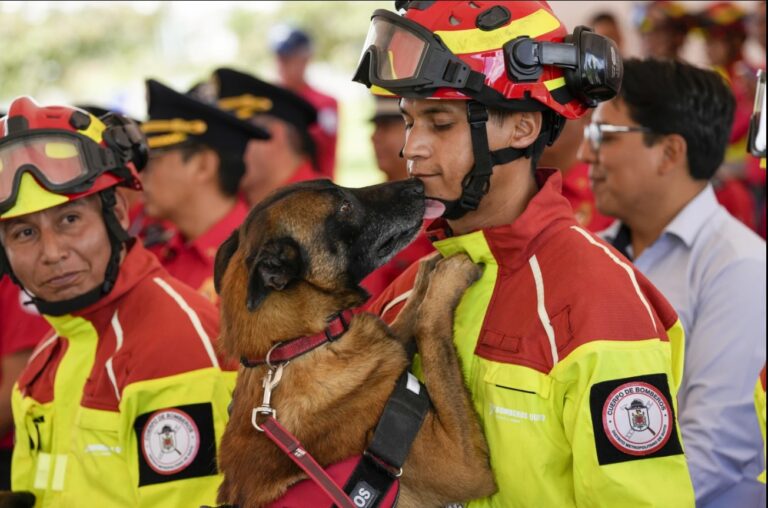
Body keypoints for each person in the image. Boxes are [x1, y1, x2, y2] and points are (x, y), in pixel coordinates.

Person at [355, 2, 694, 506]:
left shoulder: (600, 302)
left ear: (523, 128)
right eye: (409, 122)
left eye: (440, 123)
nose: (412, 148)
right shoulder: (404, 296)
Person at [0, 97, 236, 506]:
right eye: (24, 233)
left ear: (120, 215)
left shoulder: (173, 346)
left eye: (70, 220)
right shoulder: (44, 361)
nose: (52, 252)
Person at [577, 58, 766, 507]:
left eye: (604, 135)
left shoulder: (740, 268)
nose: (586, 154)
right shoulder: (591, 253)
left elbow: (714, 452)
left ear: (669, 152)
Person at [139, 79, 269, 302]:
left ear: (203, 165)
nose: (141, 176)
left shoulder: (261, 262)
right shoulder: (155, 254)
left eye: (152, 162)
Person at [696, 1, 764, 236]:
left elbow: (734, 131)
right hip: (724, 183)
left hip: (750, 187)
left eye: (713, 40)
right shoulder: (714, 78)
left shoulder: (752, 77)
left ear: (735, 40)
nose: (707, 47)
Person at [212, 67, 321, 208]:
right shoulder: (240, 208)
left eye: (234, 134)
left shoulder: (327, 212)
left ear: (274, 134)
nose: (219, 147)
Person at [361, 97, 434, 297]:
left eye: (386, 127)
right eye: (376, 127)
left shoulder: (436, 212)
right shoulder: (367, 204)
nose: (374, 137)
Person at [269, 25, 338, 180]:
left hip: (315, 187)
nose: (282, 64)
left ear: (306, 58)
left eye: (288, 58)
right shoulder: (267, 101)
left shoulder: (324, 104)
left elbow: (320, 150)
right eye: (279, 58)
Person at [538, 115, 613, 232]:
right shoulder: (511, 182)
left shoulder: (610, 194)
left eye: (549, 112)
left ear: (585, 115)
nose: (536, 121)